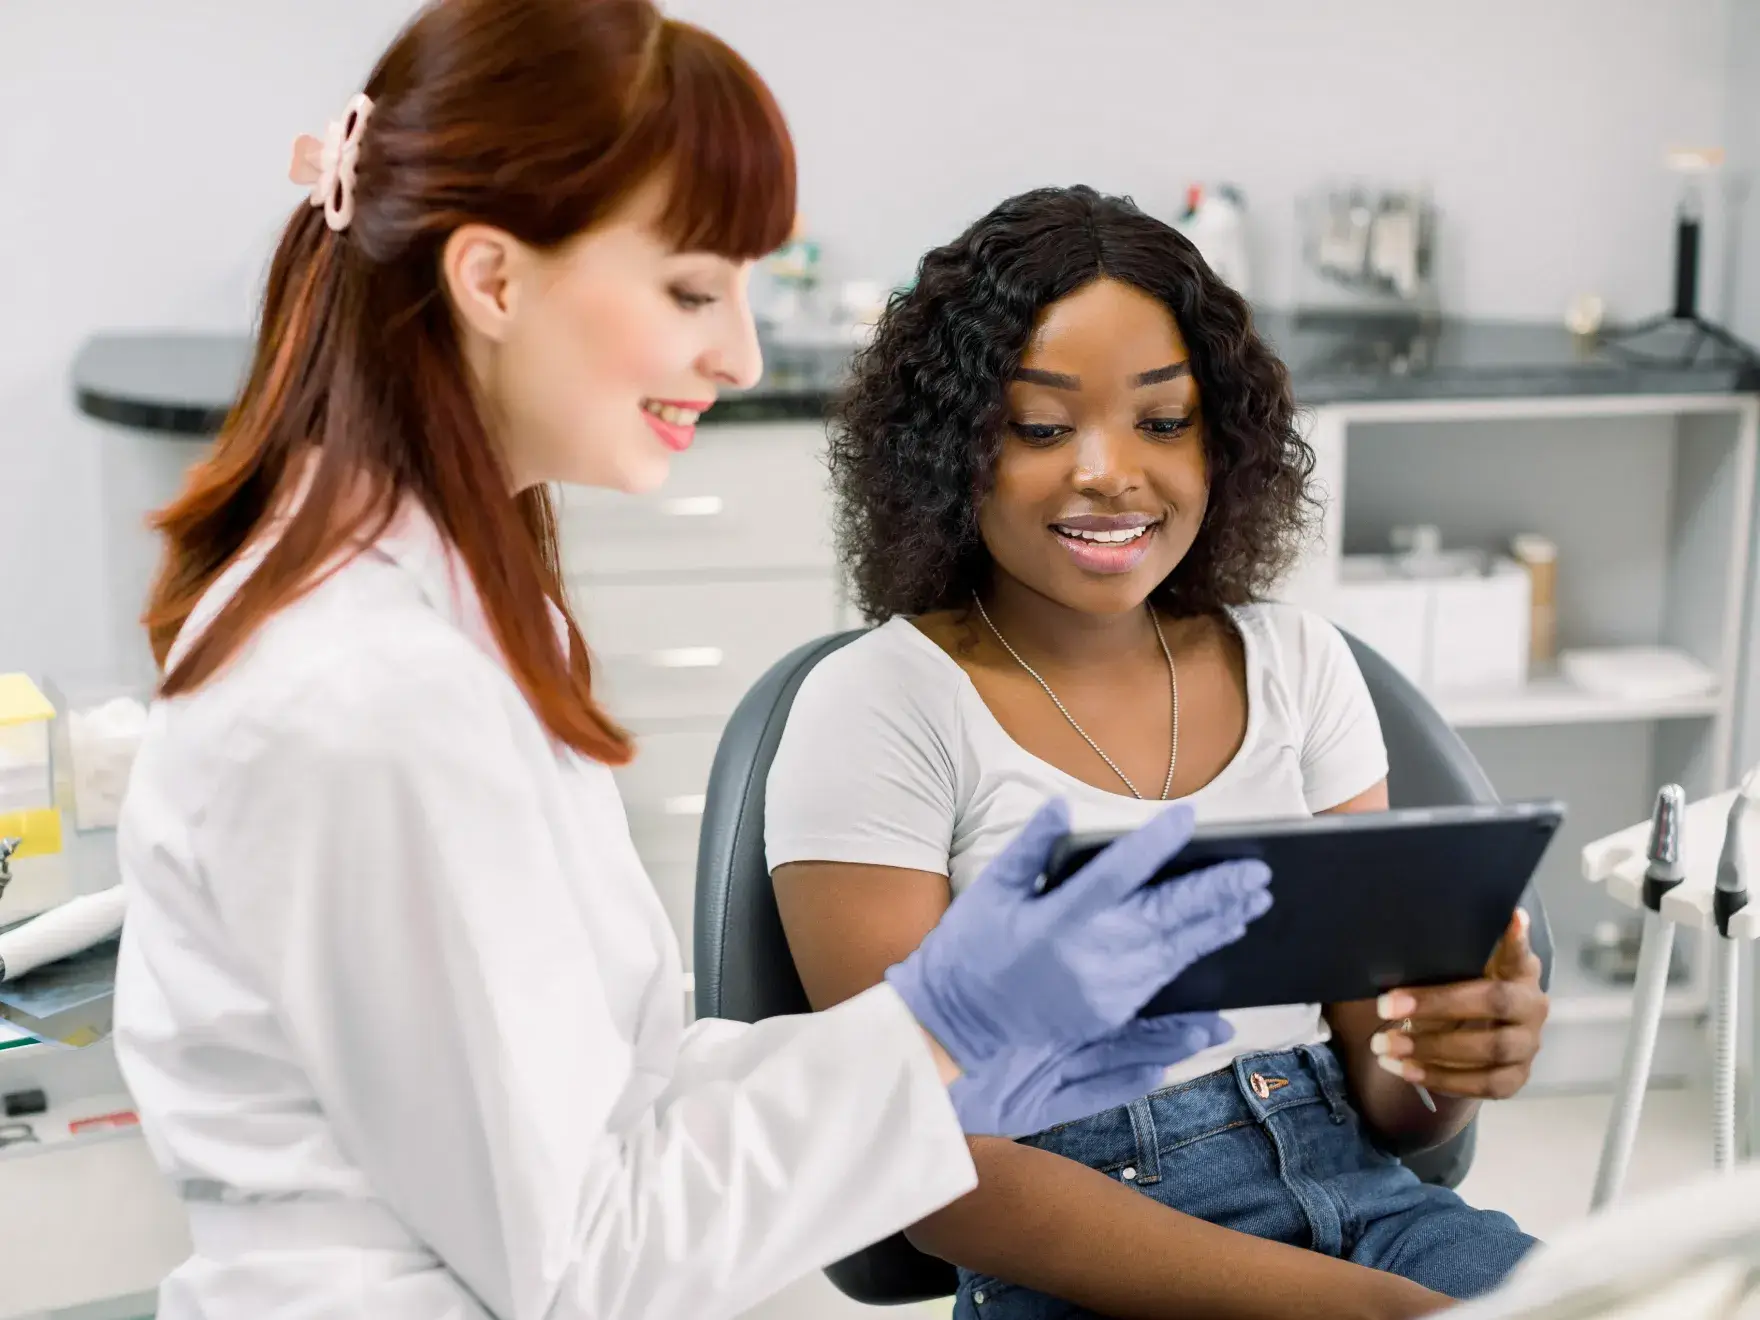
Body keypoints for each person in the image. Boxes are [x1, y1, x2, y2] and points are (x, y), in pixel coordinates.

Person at [109, 11, 1276, 1319]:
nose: (743, 355)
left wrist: (950, 1069)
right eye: (690, 289)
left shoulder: (472, 625)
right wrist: (936, 1031)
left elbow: (612, 1105)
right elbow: (581, 1261)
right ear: (492, 280)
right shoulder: (368, 697)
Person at [765, 186, 1553, 1320]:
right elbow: (928, 1170)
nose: (1108, 471)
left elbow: (1393, 1114)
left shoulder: (1298, 664)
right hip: (1077, 1248)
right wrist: (1362, 1310)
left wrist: (1451, 1052)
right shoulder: (879, 704)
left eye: (1162, 419)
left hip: (1367, 1205)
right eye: (1040, 427)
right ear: (949, 450)